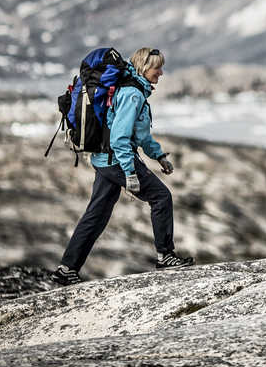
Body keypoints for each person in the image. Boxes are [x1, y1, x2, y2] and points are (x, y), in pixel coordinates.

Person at [53, 47, 192, 285]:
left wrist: (159, 156)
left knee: (96, 214)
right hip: (116, 160)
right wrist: (130, 173)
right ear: (144, 68)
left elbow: (141, 135)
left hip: (105, 160)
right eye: (157, 68)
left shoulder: (133, 90)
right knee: (161, 198)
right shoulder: (133, 94)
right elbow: (119, 138)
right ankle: (165, 255)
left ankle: (67, 269)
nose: (161, 72)